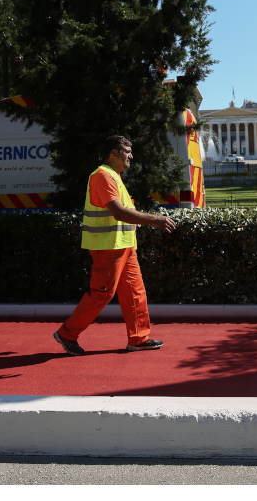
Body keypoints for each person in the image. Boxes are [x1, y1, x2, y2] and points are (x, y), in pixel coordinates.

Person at [53, 135, 176, 356]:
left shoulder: (114, 176)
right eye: (127, 151)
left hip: (123, 246)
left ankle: (138, 338)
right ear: (114, 153)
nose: (131, 155)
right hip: (108, 246)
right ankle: (67, 334)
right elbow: (118, 212)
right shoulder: (103, 176)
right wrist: (155, 220)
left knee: (134, 292)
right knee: (102, 293)